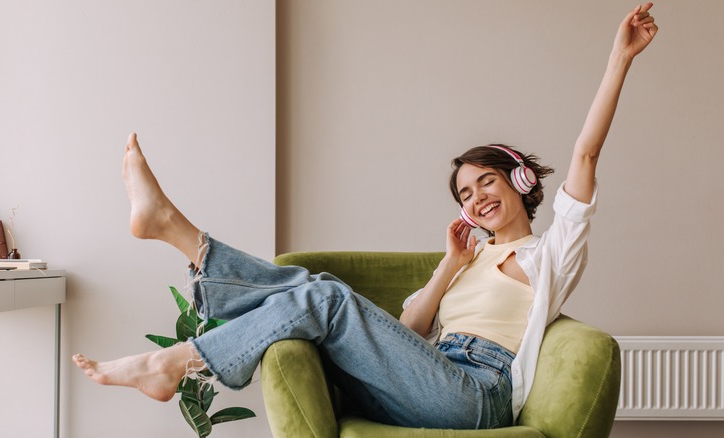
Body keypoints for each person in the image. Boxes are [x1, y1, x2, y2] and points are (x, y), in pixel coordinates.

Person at [73, 3, 658, 430]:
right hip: (426, 378)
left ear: (521, 183)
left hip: (477, 395)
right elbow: (405, 338)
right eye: (464, 192)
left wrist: (619, 59)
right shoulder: (470, 257)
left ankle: (176, 325)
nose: (476, 197)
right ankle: (178, 242)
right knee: (323, 293)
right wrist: (448, 267)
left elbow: (585, 154)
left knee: (326, 297)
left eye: (487, 181)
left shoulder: (549, 254)